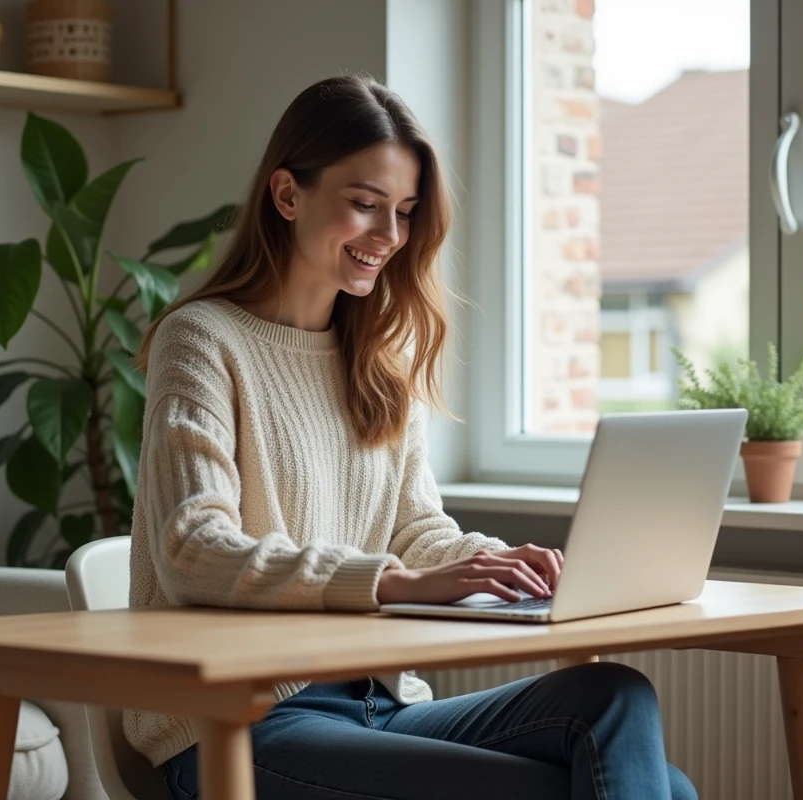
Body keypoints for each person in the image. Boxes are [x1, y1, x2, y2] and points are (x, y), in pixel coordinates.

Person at [128, 72, 696, 800]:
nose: (390, 237)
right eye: (365, 205)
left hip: (380, 704)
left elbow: (416, 532)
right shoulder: (202, 341)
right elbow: (192, 549)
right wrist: (392, 582)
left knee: (616, 698)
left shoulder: (379, 357)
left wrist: (501, 567)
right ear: (287, 194)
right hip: (242, 723)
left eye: (403, 212)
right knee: (645, 789)